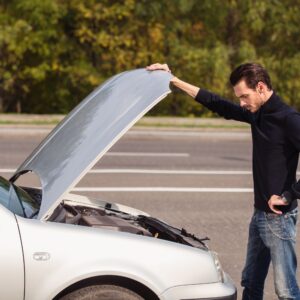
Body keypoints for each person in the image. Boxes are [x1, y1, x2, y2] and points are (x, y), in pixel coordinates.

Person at [146, 62, 300, 300]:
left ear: (260, 87)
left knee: (286, 291)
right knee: (251, 281)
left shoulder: (288, 119)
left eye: (244, 96)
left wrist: (290, 194)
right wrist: (174, 81)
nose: (241, 103)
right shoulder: (257, 114)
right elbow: (219, 104)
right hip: (260, 214)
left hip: (279, 218)